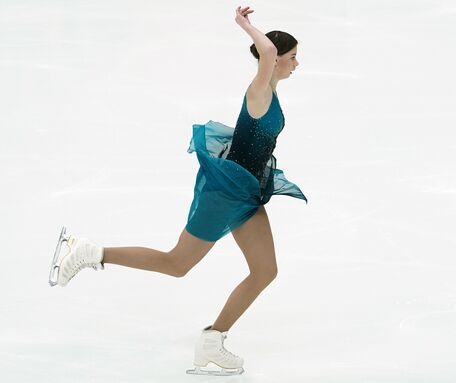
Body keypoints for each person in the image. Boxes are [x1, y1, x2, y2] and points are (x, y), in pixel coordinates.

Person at [48, 5, 307, 376]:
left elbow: (269, 56)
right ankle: (89, 251)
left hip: (247, 192)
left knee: (265, 270)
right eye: (293, 57)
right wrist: (245, 24)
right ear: (277, 58)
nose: (297, 64)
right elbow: (265, 51)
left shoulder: (272, 92)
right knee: (177, 263)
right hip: (227, 191)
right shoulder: (259, 90)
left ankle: (212, 340)